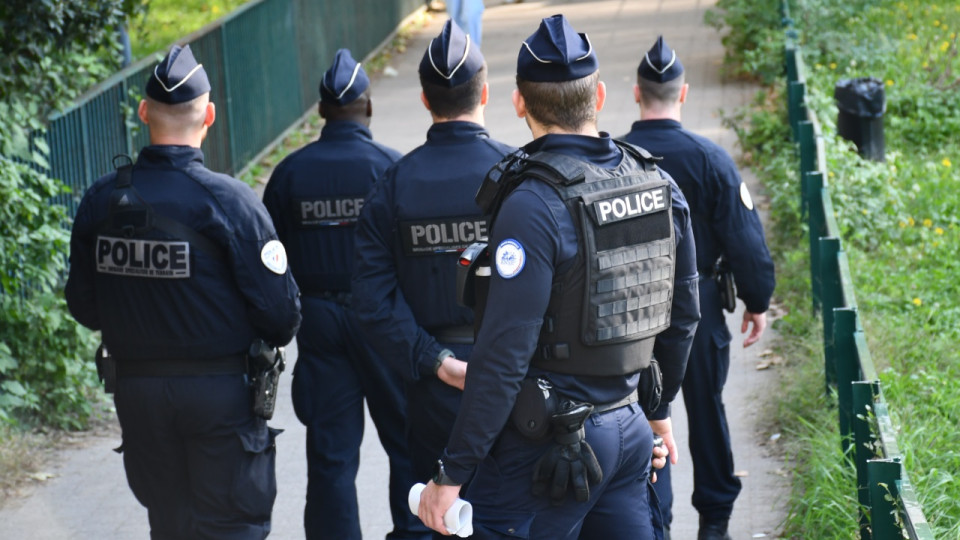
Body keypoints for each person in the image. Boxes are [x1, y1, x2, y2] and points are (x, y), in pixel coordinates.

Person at [417, 15, 701, 540]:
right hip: (628, 431)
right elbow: (683, 315)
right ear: (599, 96)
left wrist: (451, 473)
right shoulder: (657, 182)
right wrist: (657, 410)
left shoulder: (532, 205)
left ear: (518, 103)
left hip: (547, 453)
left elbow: (504, 354)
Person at [64, 44, 302, 539]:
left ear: (143, 112)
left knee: (170, 526)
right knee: (232, 527)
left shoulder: (103, 199)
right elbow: (281, 318)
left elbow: (84, 306)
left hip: (138, 393)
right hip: (221, 398)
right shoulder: (230, 202)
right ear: (209, 115)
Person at [262, 49, 428, 540]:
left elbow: (270, 260)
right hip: (383, 321)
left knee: (331, 454)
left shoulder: (289, 173)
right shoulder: (392, 168)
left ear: (321, 111)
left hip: (318, 322)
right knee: (407, 443)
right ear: (369, 106)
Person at [621, 36, 776, 540]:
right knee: (707, 410)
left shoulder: (615, 159)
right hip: (701, 305)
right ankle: (714, 521)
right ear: (684, 93)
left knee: (640, 415)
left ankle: (653, 521)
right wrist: (757, 301)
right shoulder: (711, 159)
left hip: (630, 310)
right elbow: (745, 240)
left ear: (636, 93)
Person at [352, 19, 515, 489]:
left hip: (433, 385)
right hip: (513, 374)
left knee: (444, 511)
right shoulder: (519, 175)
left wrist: (435, 360)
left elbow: (372, 301)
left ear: (425, 100)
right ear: (485, 94)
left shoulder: (393, 186)